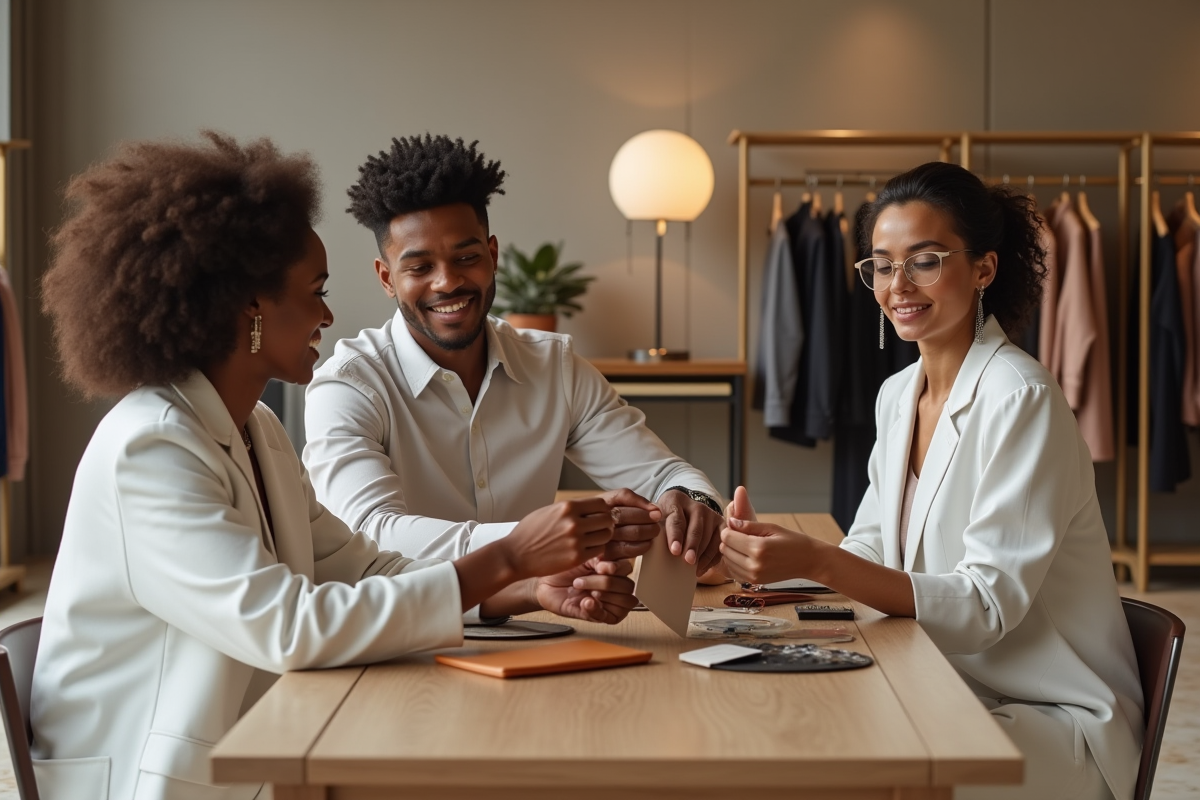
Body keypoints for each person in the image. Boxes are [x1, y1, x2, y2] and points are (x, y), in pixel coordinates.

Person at [30, 132, 643, 800]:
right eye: (315, 291)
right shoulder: (149, 449)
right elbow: (291, 626)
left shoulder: (256, 429)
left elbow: (363, 567)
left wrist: (525, 588)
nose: (327, 314)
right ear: (250, 307)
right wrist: (508, 556)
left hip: (257, 750)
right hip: (157, 783)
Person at [718, 162, 1143, 800]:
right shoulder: (897, 395)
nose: (898, 286)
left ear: (983, 269)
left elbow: (985, 607)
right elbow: (866, 551)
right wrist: (763, 558)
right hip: (940, 684)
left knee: (829, 758)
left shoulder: (1018, 397)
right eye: (882, 265)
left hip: (1049, 720)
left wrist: (814, 561)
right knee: (778, 723)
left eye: (925, 260)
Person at [302, 134, 725, 575]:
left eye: (466, 257)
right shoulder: (348, 387)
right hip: (409, 634)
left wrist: (691, 504)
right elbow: (370, 533)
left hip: (545, 624)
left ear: (492, 255)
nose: (447, 282)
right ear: (387, 278)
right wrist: (547, 539)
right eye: (420, 267)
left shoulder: (554, 368)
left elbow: (665, 475)